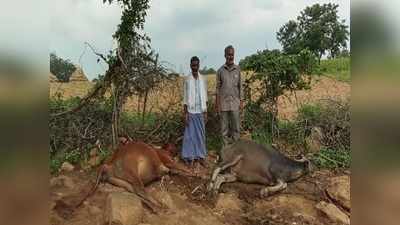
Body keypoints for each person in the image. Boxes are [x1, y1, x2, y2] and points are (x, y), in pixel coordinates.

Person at [181, 56, 208, 168]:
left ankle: (200, 157)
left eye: (196, 65)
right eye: (193, 65)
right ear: (190, 66)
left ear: (199, 65)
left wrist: (206, 112)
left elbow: (205, 96)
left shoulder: (203, 79)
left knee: (200, 135)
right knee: (190, 136)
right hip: (191, 111)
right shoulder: (187, 79)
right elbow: (185, 97)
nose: (195, 67)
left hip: (200, 110)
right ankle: (189, 157)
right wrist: (185, 113)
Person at [215, 45, 243, 146]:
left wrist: (241, 102)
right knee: (224, 131)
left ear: (234, 55)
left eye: (232, 55)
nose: (230, 57)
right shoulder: (220, 71)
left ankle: (236, 153)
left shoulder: (238, 70)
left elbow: (240, 87)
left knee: (236, 129)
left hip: (235, 104)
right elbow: (217, 89)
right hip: (224, 105)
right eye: (228, 55)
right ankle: (225, 153)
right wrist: (217, 104)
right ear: (225, 55)